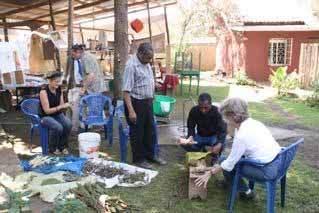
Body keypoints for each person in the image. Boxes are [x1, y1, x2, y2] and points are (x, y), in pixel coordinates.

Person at [195, 98, 282, 199]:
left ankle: (247, 193)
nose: (224, 119)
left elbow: (229, 164)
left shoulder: (242, 136)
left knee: (228, 167)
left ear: (231, 115)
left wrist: (209, 173)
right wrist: (213, 167)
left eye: (225, 116)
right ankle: (229, 181)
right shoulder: (253, 122)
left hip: (266, 170)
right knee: (223, 159)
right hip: (278, 161)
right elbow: (235, 156)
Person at [123, 42, 166, 169]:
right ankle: (139, 159)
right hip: (135, 103)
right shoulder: (131, 66)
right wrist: (131, 111)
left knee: (150, 131)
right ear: (140, 54)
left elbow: (147, 80)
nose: (149, 61)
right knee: (138, 132)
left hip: (147, 102)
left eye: (150, 58)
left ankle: (150, 155)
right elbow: (126, 92)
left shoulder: (146, 63)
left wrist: (152, 94)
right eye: (147, 58)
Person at [64, 44, 106, 131]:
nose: (72, 56)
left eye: (73, 54)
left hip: (94, 87)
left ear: (78, 52)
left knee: (94, 106)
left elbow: (91, 75)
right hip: (93, 86)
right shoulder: (86, 56)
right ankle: (85, 124)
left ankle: (98, 125)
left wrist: (83, 88)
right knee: (92, 105)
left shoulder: (86, 58)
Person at [179, 93, 227, 164]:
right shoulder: (194, 110)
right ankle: (200, 150)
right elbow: (191, 126)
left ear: (210, 104)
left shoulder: (217, 112)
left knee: (222, 144)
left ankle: (215, 157)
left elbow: (223, 130)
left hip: (213, 136)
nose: (203, 110)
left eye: (206, 108)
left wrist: (219, 144)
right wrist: (190, 137)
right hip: (200, 136)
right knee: (185, 144)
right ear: (198, 104)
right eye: (201, 107)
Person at [39, 71, 72, 155]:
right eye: (56, 81)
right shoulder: (43, 92)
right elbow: (47, 111)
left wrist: (67, 105)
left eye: (59, 81)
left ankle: (62, 146)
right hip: (45, 116)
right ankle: (52, 148)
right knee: (58, 127)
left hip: (57, 114)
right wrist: (61, 107)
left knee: (68, 124)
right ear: (50, 81)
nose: (58, 84)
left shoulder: (59, 90)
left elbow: (61, 104)